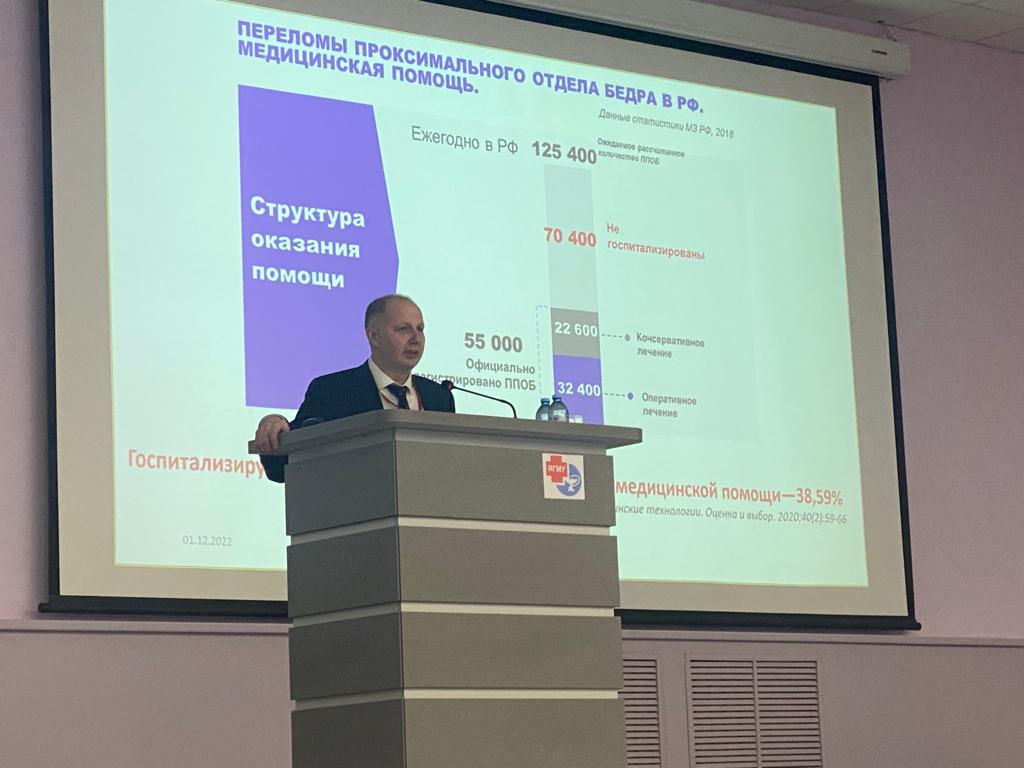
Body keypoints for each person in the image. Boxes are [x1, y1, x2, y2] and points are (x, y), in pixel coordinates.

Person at [253, 294, 455, 482]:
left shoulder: (438, 397)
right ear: (374, 337)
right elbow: (282, 466)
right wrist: (275, 424)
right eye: (403, 329)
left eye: (420, 329)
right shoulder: (333, 390)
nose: (416, 338)